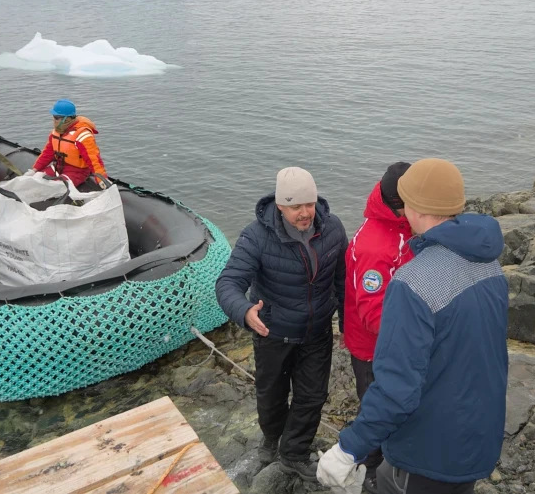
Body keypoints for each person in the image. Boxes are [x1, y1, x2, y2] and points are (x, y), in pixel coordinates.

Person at [318, 158, 510, 494]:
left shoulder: (414, 282)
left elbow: (397, 389)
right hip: (480, 434)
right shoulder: (490, 264)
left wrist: (348, 449)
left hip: (430, 451)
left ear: (413, 206)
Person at [215, 167, 347, 481]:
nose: (304, 213)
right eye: (295, 206)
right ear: (280, 205)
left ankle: (294, 453)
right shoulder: (255, 236)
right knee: (271, 395)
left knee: (313, 396)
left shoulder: (333, 229)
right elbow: (228, 283)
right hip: (272, 330)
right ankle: (272, 440)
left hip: (317, 331)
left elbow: (343, 280)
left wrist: (347, 320)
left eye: (309, 204)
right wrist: (245, 311)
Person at [343, 162, 414, 494]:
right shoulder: (373, 245)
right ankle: (370, 470)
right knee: (376, 409)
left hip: (400, 342)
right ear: (401, 203)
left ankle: (395, 459)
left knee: (400, 405)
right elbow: (372, 314)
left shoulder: (405, 228)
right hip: (373, 349)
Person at [30, 99, 107, 191]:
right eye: (53, 116)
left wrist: (101, 179)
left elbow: (93, 159)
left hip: (77, 172)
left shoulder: (82, 135)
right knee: (34, 180)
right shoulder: (56, 133)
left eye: (56, 117)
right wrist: (34, 169)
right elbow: (47, 153)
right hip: (58, 167)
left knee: (55, 187)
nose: (53, 119)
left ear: (67, 119)